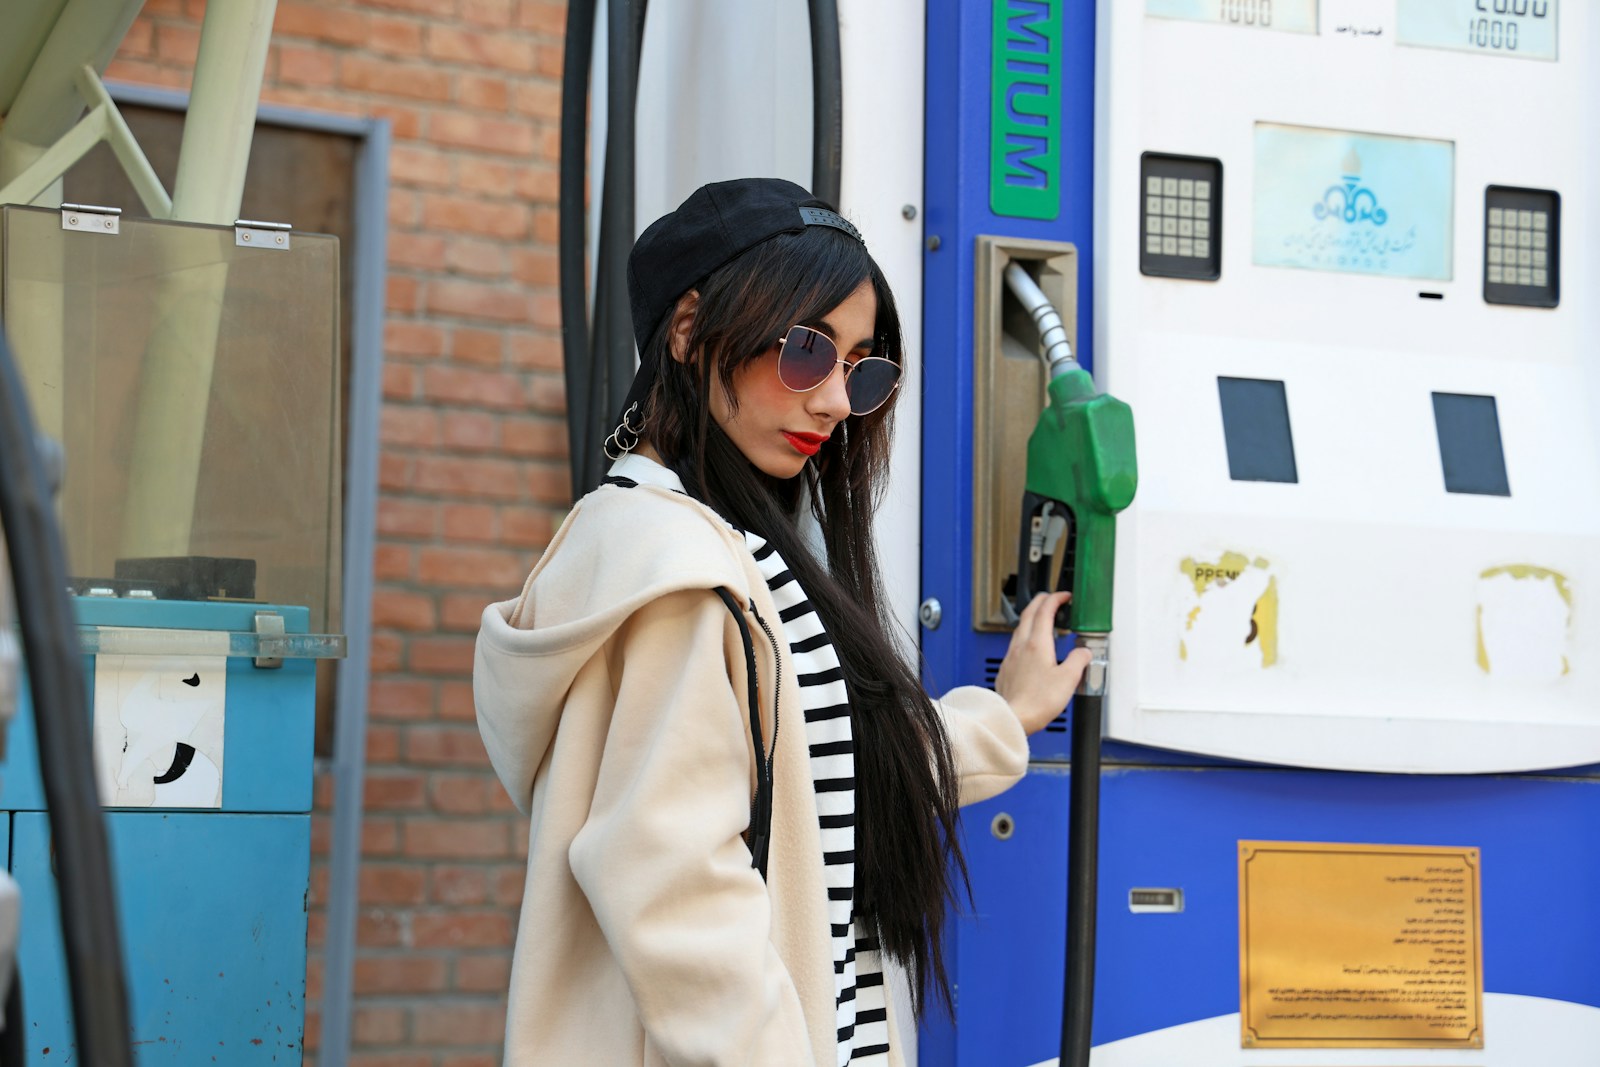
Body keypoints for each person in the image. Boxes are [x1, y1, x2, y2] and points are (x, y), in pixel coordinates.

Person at [474, 178, 1092, 1066]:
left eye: (861, 366)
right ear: (688, 331)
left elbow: (815, 786)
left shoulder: (730, 550)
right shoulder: (678, 571)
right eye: (806, 351)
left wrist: (1005, 715)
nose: (838, 400)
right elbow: (676, 889)